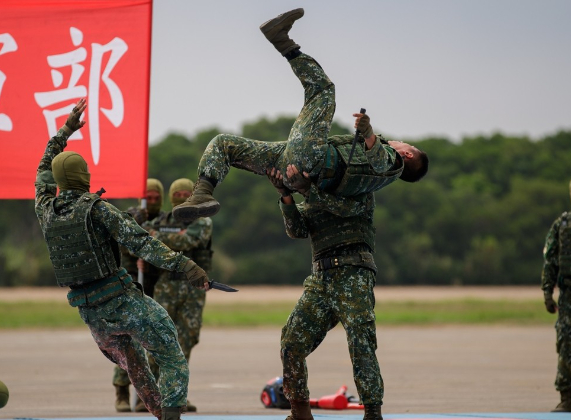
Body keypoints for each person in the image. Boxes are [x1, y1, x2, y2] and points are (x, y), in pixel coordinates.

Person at [34, 98, 209, 420]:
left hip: (89, 312)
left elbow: (44, 166)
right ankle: (171, 415)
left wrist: (66, 130)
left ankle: (159, 413)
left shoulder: (45, 208)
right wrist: (186, 265)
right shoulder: (97, 209)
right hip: (120, 299)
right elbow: (142, 243)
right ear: (84, 175)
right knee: (171, 354)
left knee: (137, 369)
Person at [172, 7, 428, 223]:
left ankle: (281, 40)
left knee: (323, 89)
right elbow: (340, 205)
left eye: (410, 146)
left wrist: (368, 132)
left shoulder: (392, 164)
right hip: (297, 174)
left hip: (312, 159)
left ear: (407, 154)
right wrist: (290, 188)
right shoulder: (369, 187)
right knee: (224, 144)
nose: (403, 142)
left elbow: (381, 158)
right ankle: (202, 194)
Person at [267, 163, 384, 420]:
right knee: (291, 343)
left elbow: (344, 209)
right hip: (321, 277)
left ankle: (373, 412)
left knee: (360, 341)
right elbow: (296, 230)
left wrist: (306, 190)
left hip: (354, 273)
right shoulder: (312, 198)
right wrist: (285, 195)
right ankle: (300, 412)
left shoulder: (358, 189)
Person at [145, 178, 213, 412]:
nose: (182, 198)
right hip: (165, 287)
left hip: (193, 289)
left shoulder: (202, 221)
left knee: (187, 339)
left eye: (187, 193)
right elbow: (141, 241)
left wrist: (157, 236)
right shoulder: (159, 221)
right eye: (178, 194)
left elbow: (188, 240)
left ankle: (176, 395)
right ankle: (149, 395)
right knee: (158, 338)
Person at [114, 178, 166, 413]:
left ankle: (146, 396)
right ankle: (121, 392)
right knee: (127, 340)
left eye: (156, 198)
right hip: (129, 283)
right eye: (149, 197)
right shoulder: (129, 216)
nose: (152, 202)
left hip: (155, 285)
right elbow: (121, 241)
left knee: (154, 340)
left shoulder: (166, 219)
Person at [541, 175, 571, 413]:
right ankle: (566, 399)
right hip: (569, 296)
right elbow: (550, 260)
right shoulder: (562, 225)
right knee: (566, 345)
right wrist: (547, 293)